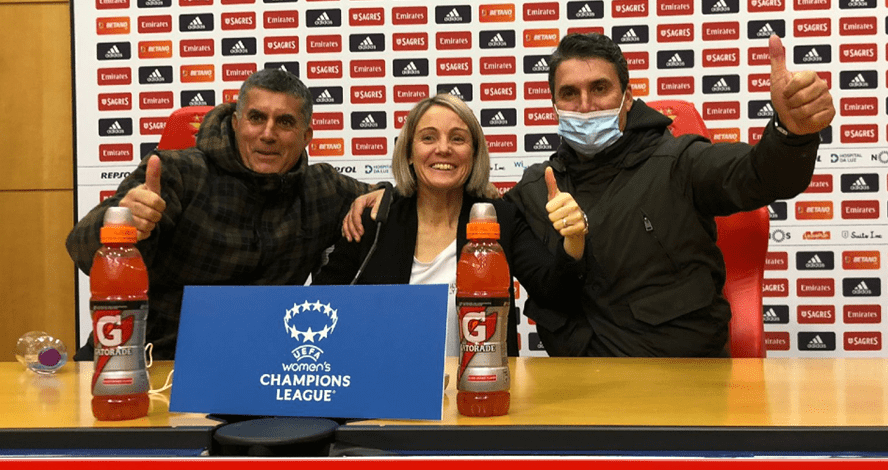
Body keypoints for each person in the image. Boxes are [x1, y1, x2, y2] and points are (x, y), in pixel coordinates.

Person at [344, 32, 833, 357]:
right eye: (569, 94)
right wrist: (386, 195)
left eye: (599, 89)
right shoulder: (538, 189)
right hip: (578, 388)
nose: (584, 105)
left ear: (627, 96)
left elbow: (760, 175)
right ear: (554, 103)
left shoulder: (680, 161)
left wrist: (791, 135)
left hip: (681, 381)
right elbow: (461, 197)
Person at [67, 68, 372, 360]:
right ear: (236, 122)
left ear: (306, 136)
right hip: (152, 361)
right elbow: (80, 248)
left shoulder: (321, 188)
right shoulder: (176, 173)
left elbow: (402, 203)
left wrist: (380, 196)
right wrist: (121, 221)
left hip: (254, 366)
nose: (268, 134)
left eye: (284, 122)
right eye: (256, 118)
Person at [316, 93, 588, 357]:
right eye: (428, 138)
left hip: (481, 390)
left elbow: (555, 292)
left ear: (473, 154)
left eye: (458, 139)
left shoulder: (501, 218)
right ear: (409, 152)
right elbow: (320, 307)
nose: (443, 148)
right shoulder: (375, 221)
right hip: (386, 387)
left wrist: (574, 239)